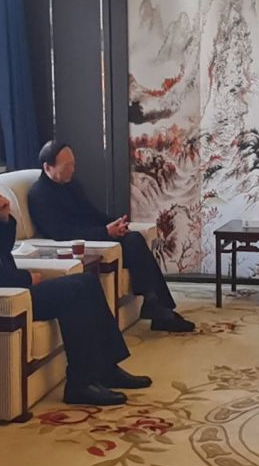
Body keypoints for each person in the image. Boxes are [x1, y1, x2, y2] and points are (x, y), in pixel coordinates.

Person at [0, 149, 150, 408]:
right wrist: (25, 279)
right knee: (74, 292)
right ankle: (80, 383)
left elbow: (0, 251)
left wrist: (2, 218)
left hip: (12, 288)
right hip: (1, 299)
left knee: (87, 282)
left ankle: (107, 368)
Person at [29, 141, 194, 333]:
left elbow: (92, 213)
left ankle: (156, 304)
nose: (73, 170)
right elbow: (61, 233)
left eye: (73, 164)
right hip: (77, 241)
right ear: (48, 167)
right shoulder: (39, 195)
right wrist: (105, 232)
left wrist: (115, 224)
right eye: (67, 166)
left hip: (93, 233)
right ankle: (157, 307)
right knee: (133, 241)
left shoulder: (71, 185)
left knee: (134, 238)